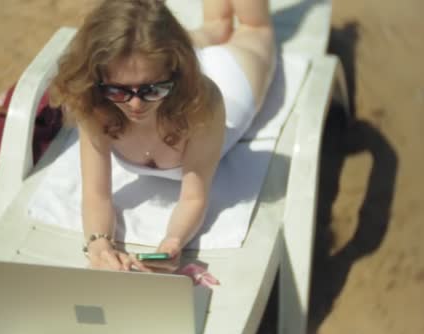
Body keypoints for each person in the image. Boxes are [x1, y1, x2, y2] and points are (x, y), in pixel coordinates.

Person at [51, 0, 276, 273]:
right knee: (216, 26)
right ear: (97, 78)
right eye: (119, 91)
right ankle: (213, 29)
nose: (135, 106)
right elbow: (97, 195)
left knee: (255, 28)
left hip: (232, 80)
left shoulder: (202, 106)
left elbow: (194, 197)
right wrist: (100, 246)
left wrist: (173, 241)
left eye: (151, 89)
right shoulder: (96, 105)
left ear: (175, 71)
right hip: (167, 70)